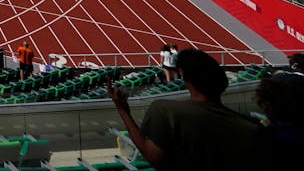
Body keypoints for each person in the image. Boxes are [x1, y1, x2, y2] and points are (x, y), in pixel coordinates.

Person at [108, 47, 261, 171]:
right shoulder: (253, 128)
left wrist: (123, 111)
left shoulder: (165, 111)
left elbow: (152, 156)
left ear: (185, 77)